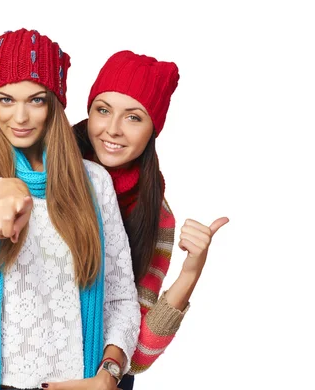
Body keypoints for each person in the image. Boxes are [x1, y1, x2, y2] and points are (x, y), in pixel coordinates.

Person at [0, 28, 140, 390]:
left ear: (54, 103)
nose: (20, 117)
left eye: (36, 100)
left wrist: (109, 372)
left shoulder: (93, 182)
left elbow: (121, 295)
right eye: (5, 99)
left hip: (73, 380)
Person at [73, 50, 229, 389]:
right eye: (103, 110)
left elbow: (139, 355)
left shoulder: (154, 215)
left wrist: (192, 270)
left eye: (133, 117)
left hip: (105, 376)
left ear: (152, 129)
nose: (112, 130)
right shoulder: (44, 171)